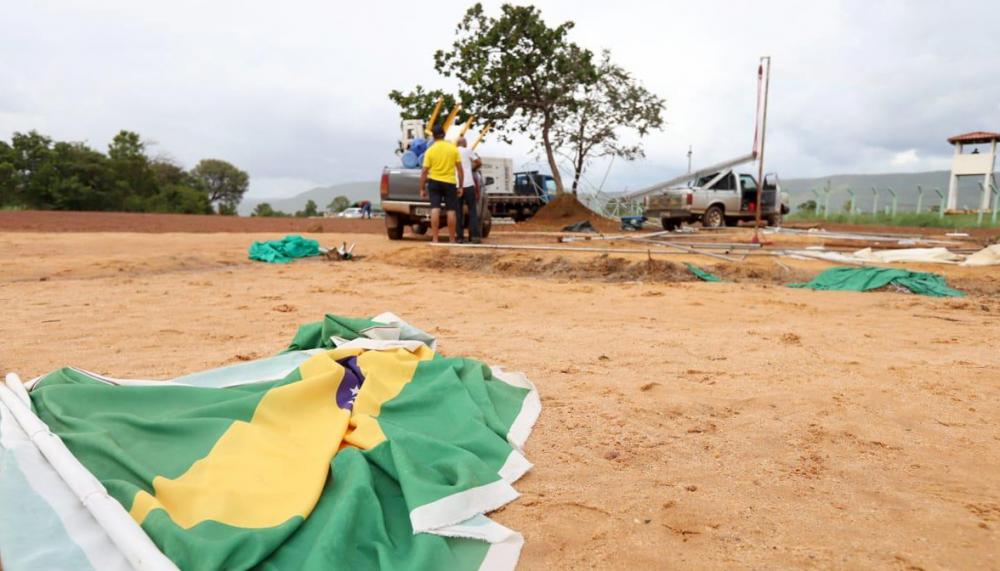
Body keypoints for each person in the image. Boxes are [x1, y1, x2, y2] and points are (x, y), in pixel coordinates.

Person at [419, 125, 464, 242]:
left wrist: (422, 188)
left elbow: (424, 171)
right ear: (444, 135)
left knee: (435, 209)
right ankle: (452, 239)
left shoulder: (430, 151)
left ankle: (435, 238)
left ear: (433, 136)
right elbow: (460, 170)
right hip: (450, 182)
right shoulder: (453, 149)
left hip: (434, 182)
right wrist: (461, 186)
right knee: (451, 211)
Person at [455, 137, 482, 243]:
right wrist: (472, 169)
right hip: (468, 184)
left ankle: (459, 237)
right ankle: (474, 236)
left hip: (456, 184)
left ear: (457, 144)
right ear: (465, 144)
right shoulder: (468, 151)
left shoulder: (453, 151)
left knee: (458, 212)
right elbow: (479, 162)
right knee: (472, 211)